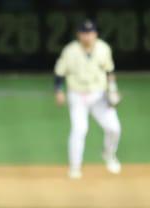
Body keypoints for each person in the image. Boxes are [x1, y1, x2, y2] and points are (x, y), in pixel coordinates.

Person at [53, 19, 122, 178]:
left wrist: (113, 90)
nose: (87, 36)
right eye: (84, 33)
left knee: (114, 128)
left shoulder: (104, 49)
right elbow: (59, 73)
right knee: (79, 130)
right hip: (77, 95)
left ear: (95, 34)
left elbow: (109, 72)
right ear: (79, 35)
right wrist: (58, 91)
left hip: (99, 95)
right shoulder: (70, 51)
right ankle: (75, 167)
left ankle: (109, 155)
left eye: (90, 33)